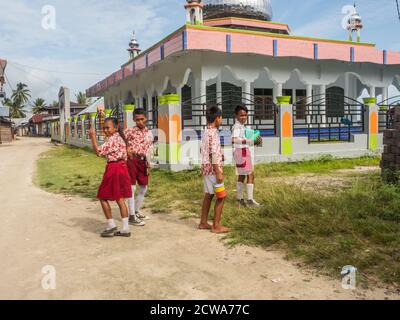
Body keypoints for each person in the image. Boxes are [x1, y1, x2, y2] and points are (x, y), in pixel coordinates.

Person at [89, 117, 132, 238]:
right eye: (104, 128)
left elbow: (98, 151)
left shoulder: (113, 140)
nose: (105, 130)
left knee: (102, 196)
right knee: (120, 198)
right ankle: (125, 228)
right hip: (122, 167)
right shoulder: (120, 138)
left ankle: (111, 224)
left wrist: (92, 136)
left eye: (108, 127)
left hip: (114, 168)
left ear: (116, 128)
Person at [199, 106, 230, 234]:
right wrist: (218, 171)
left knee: (209, 195)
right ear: (217, 118)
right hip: (213, 169)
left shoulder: (206, 132)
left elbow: (207, 151)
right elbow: (213, 153)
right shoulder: (213, 133)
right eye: (220, 117)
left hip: (206, 168)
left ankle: (203, 222)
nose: (221, 119)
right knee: (221, 196)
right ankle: (216, 226)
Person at [125, 109, 154, 226]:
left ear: (146, 118)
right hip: (132, 160)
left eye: (142, 119)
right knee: (131, 188)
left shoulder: (149, 133)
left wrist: (148, 162)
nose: (140, 122)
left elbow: (149, 149)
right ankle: (131, 216)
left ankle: (136, 211)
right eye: (137, 120)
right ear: (134, 120)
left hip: (142, 162)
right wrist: (127, 150)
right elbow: (120, 141)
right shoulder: (129, 131)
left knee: (143, 187)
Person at [232, 105, 262, 208]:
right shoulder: (237, 127)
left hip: (239, 151)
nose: (244, 117)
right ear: (236, 115)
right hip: (242, 152)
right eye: (241, 115)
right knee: (250, 174)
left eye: (245, 115)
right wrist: (249, 141)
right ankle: (250, 201)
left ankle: (239, 199)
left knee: (242, 175)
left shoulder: (241, 126)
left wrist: (252, 140)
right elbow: (234, 139)